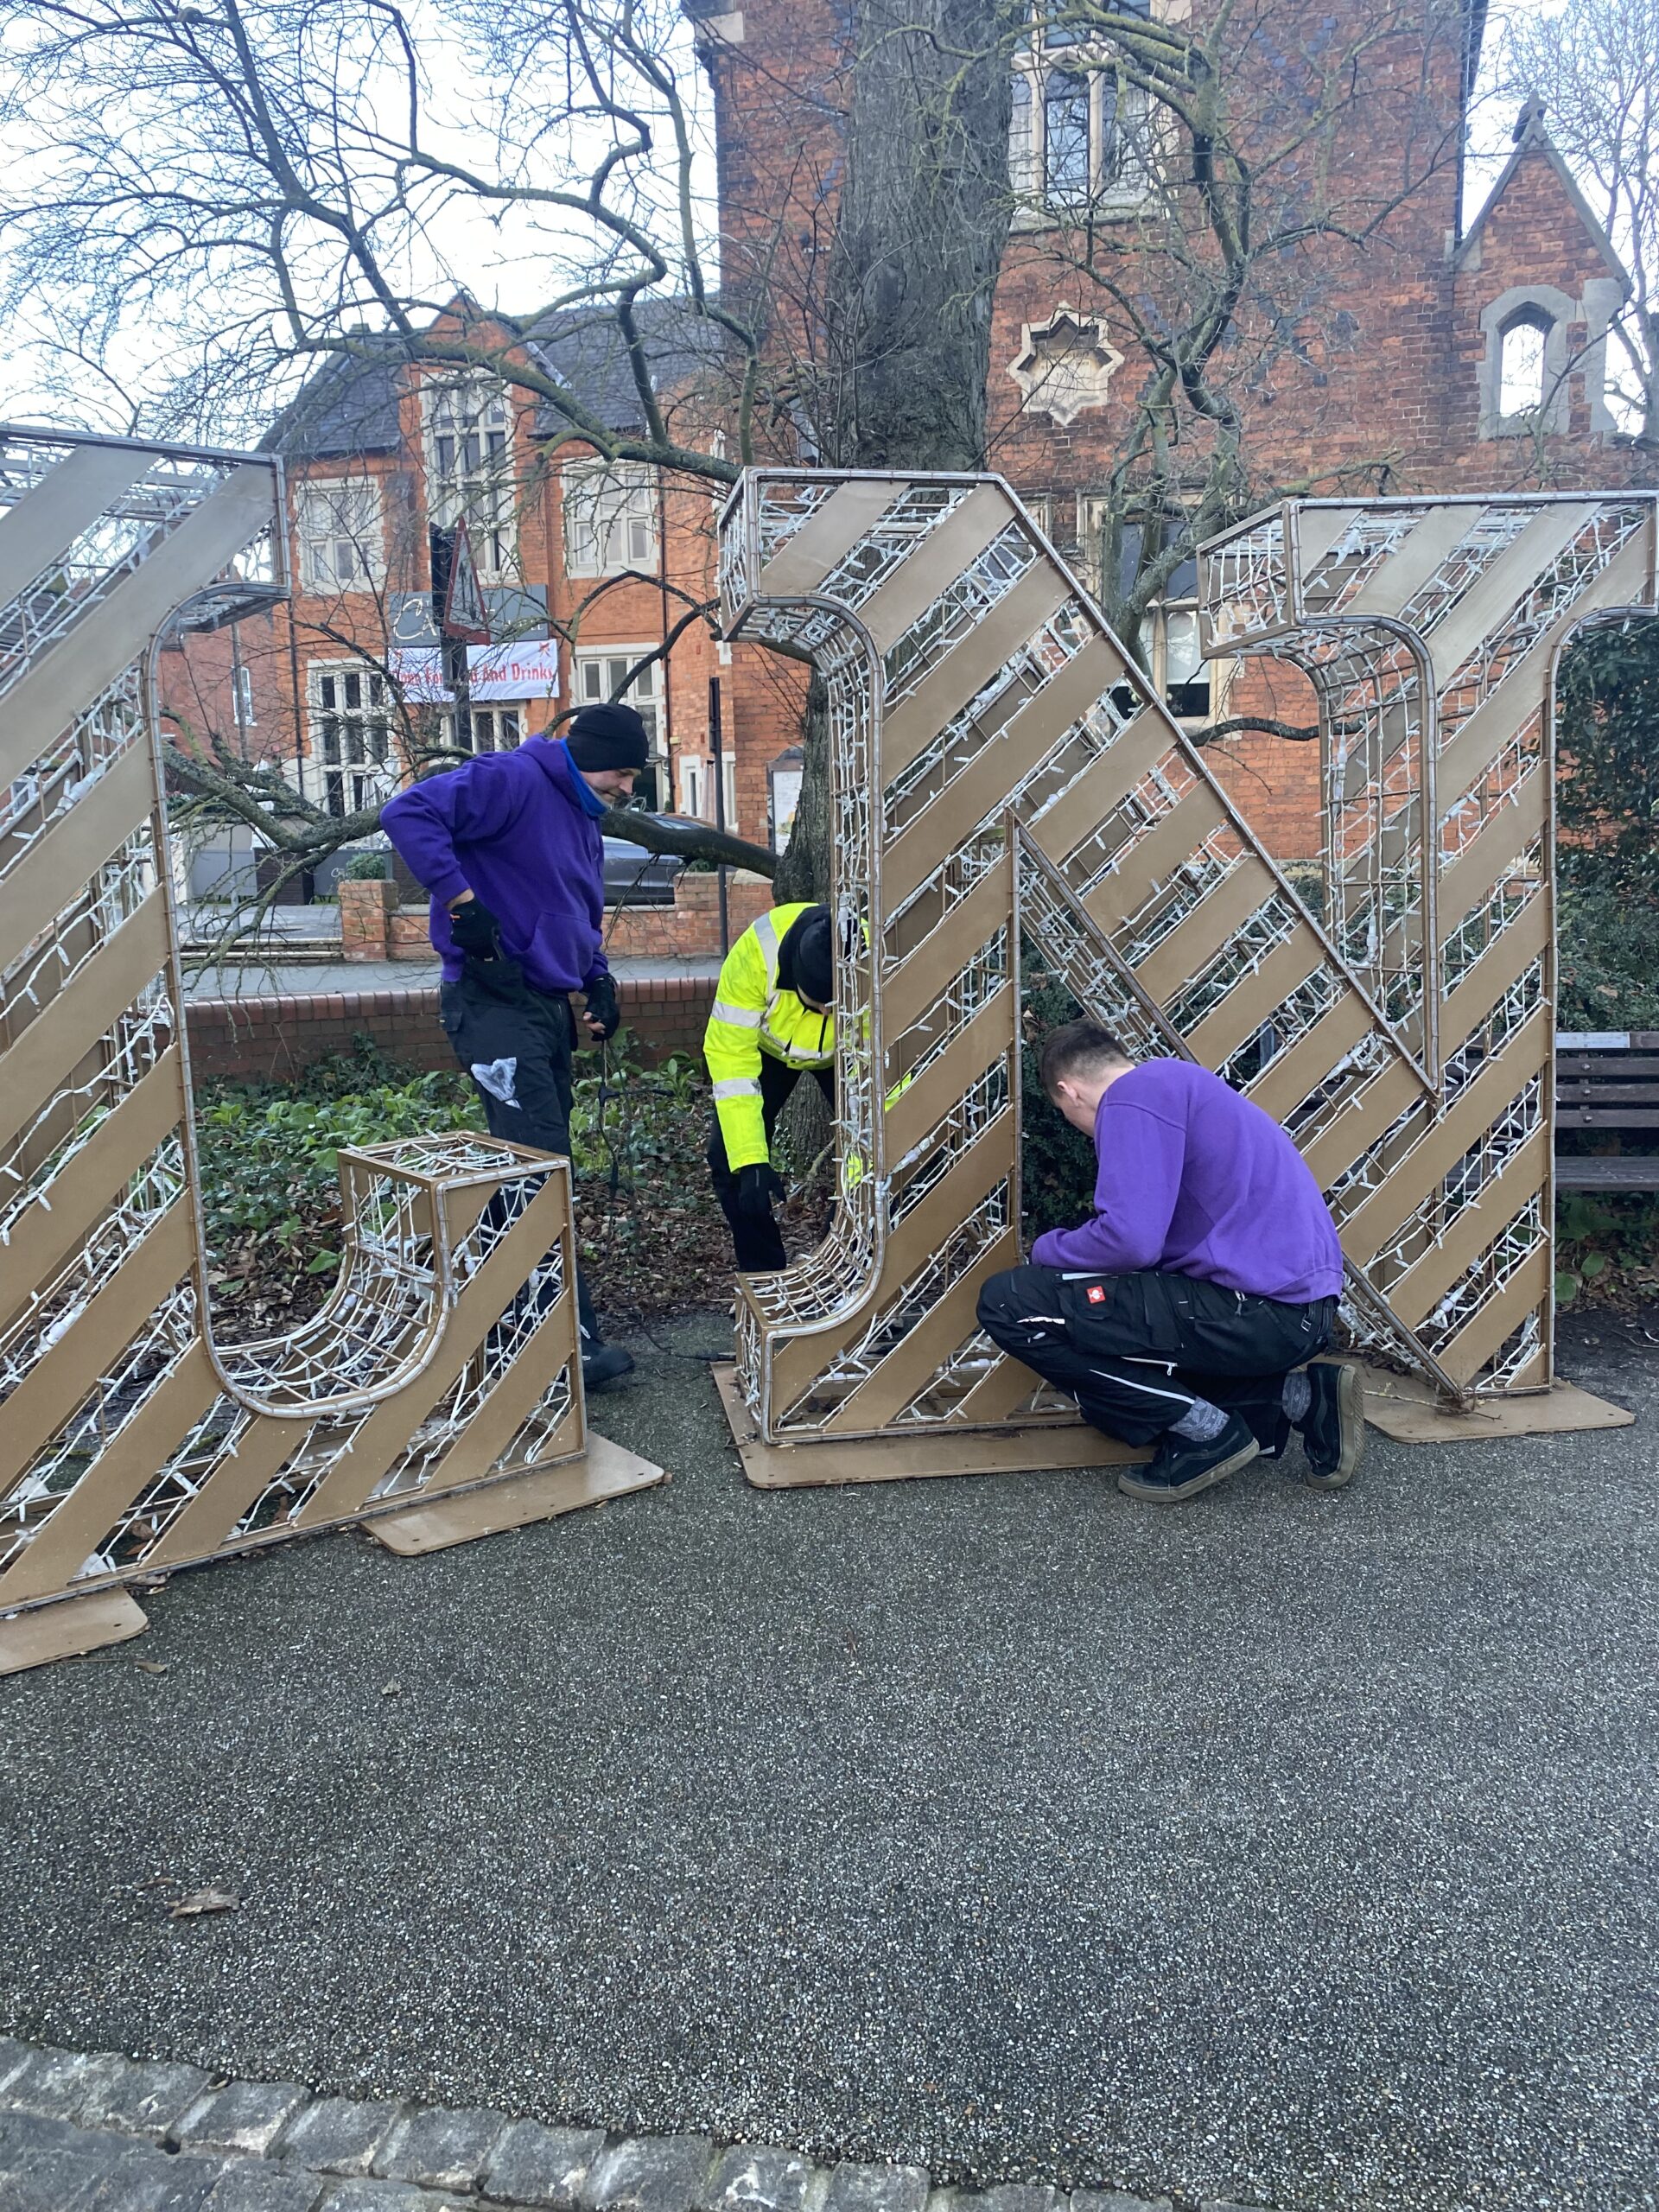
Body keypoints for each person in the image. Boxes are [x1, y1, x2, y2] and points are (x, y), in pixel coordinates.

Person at [976, 1020, 1363, 1503]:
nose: (1076, 1127)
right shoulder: (1183, 1085)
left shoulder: (1133, 1097)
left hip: (1257, 1310)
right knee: (1113, 1397)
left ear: (1067, 1091)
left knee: (1011, 1302)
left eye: (1064, 1112)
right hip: (1296, 1313)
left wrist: (1046, 1250)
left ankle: (1208, 1437)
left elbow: (1131, 1242)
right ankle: (1304, 1400)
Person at [380, 701, 648, 1389]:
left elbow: (576, 911)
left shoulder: (585, 819)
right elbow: (407, 814)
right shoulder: (514, 780)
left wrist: (598, 981)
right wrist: (464, 906)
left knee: (527, 1167)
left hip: (544, 1006)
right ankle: (559, 1342)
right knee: (539, 1168)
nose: (627, 788)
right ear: (588, 756)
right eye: (622, 772)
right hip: (490, 1000)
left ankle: (495, 1315)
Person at [703, 903, 836, 1272]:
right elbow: (731, 1064)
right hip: (769, 1050)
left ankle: (846, 1263)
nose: (827, 1013)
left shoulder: (872, 963)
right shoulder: (753, 958)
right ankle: (764, 1272)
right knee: (727, 1159)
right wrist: (751, 1162)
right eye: (818, 1006)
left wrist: (858, 1185)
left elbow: (879, 1102)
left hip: (846, 1056)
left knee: (882, 1165)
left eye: (834, 1007)